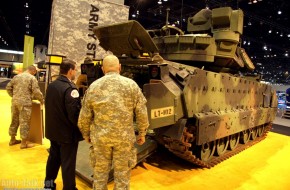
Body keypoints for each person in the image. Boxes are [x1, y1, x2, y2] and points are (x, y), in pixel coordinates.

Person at [78, 54, 149, 190]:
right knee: (122, 176)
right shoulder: (131, 85)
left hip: (100, 139)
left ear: (103, 69)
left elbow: (85, 115)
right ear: (120, 67)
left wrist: (86, 134)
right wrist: (142, 133)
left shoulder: (94, 86)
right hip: (124, 139)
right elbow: (141, 112)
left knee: (99, 175)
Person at [44, 58, 83, 190]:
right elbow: (74, 115)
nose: (75, 72)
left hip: (53, 131)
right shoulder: (71, 88)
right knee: (68, 163)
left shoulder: (51, 85)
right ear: (70, 70)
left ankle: (48, 185)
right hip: (66, 135)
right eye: (75, 69)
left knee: (53, 160)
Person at [6, 65, 44, 149]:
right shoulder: (32, 78)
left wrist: (14, 96)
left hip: (15, 102)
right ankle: (24, 143)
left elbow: (8, 87)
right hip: (25, 103)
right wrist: (42, 99)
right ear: (33, 71)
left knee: (14, 120)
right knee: (25, 122)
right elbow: (36, 91)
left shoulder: (16, 77)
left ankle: (12, 139)